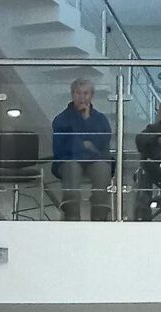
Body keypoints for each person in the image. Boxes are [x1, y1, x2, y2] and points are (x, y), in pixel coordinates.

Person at [51, 78, 112, 222]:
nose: (82, 97)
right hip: (70, 159)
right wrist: (86, 145)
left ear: (91, 96)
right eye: (78, 93)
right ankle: (72, 218)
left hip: (95, 160)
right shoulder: (61, 119)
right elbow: (62, 145)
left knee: (103, 170)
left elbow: (103, 142)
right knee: (71, 168)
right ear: (72, 95)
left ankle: (99, 218)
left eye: (86, 93)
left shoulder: (100, 119)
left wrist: (87, 118)